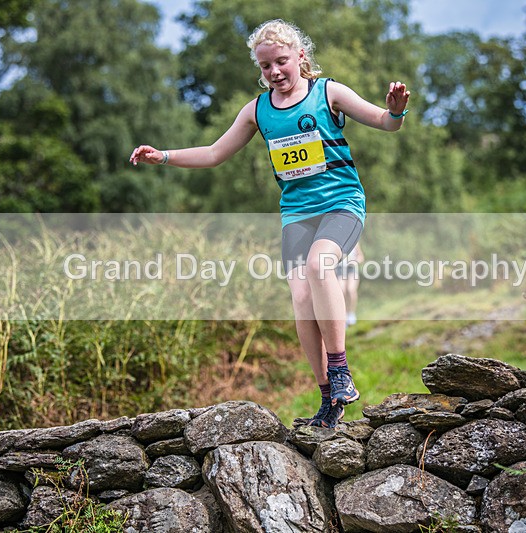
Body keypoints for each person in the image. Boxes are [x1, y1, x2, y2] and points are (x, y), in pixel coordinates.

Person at [130, 19, 409, 429]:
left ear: (300, 56)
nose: (275, 72)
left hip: (341, 204)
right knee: (300, 298)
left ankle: (340, 370)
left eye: (281, 62)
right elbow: (213, 153)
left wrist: (397, 110)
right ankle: (328, 398)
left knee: (319, 266)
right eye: (265, 67)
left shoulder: (328, 92)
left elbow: (386, 122)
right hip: (296, 212)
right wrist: (164, 156)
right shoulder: (257, 111)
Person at [337, 242, 364, 327]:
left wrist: (355, 261)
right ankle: (343, 316)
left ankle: (351, 313)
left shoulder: (355, 242)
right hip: (340, 268)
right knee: (342, 291)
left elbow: (361, 257)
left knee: (351, 290)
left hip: (351, 268)